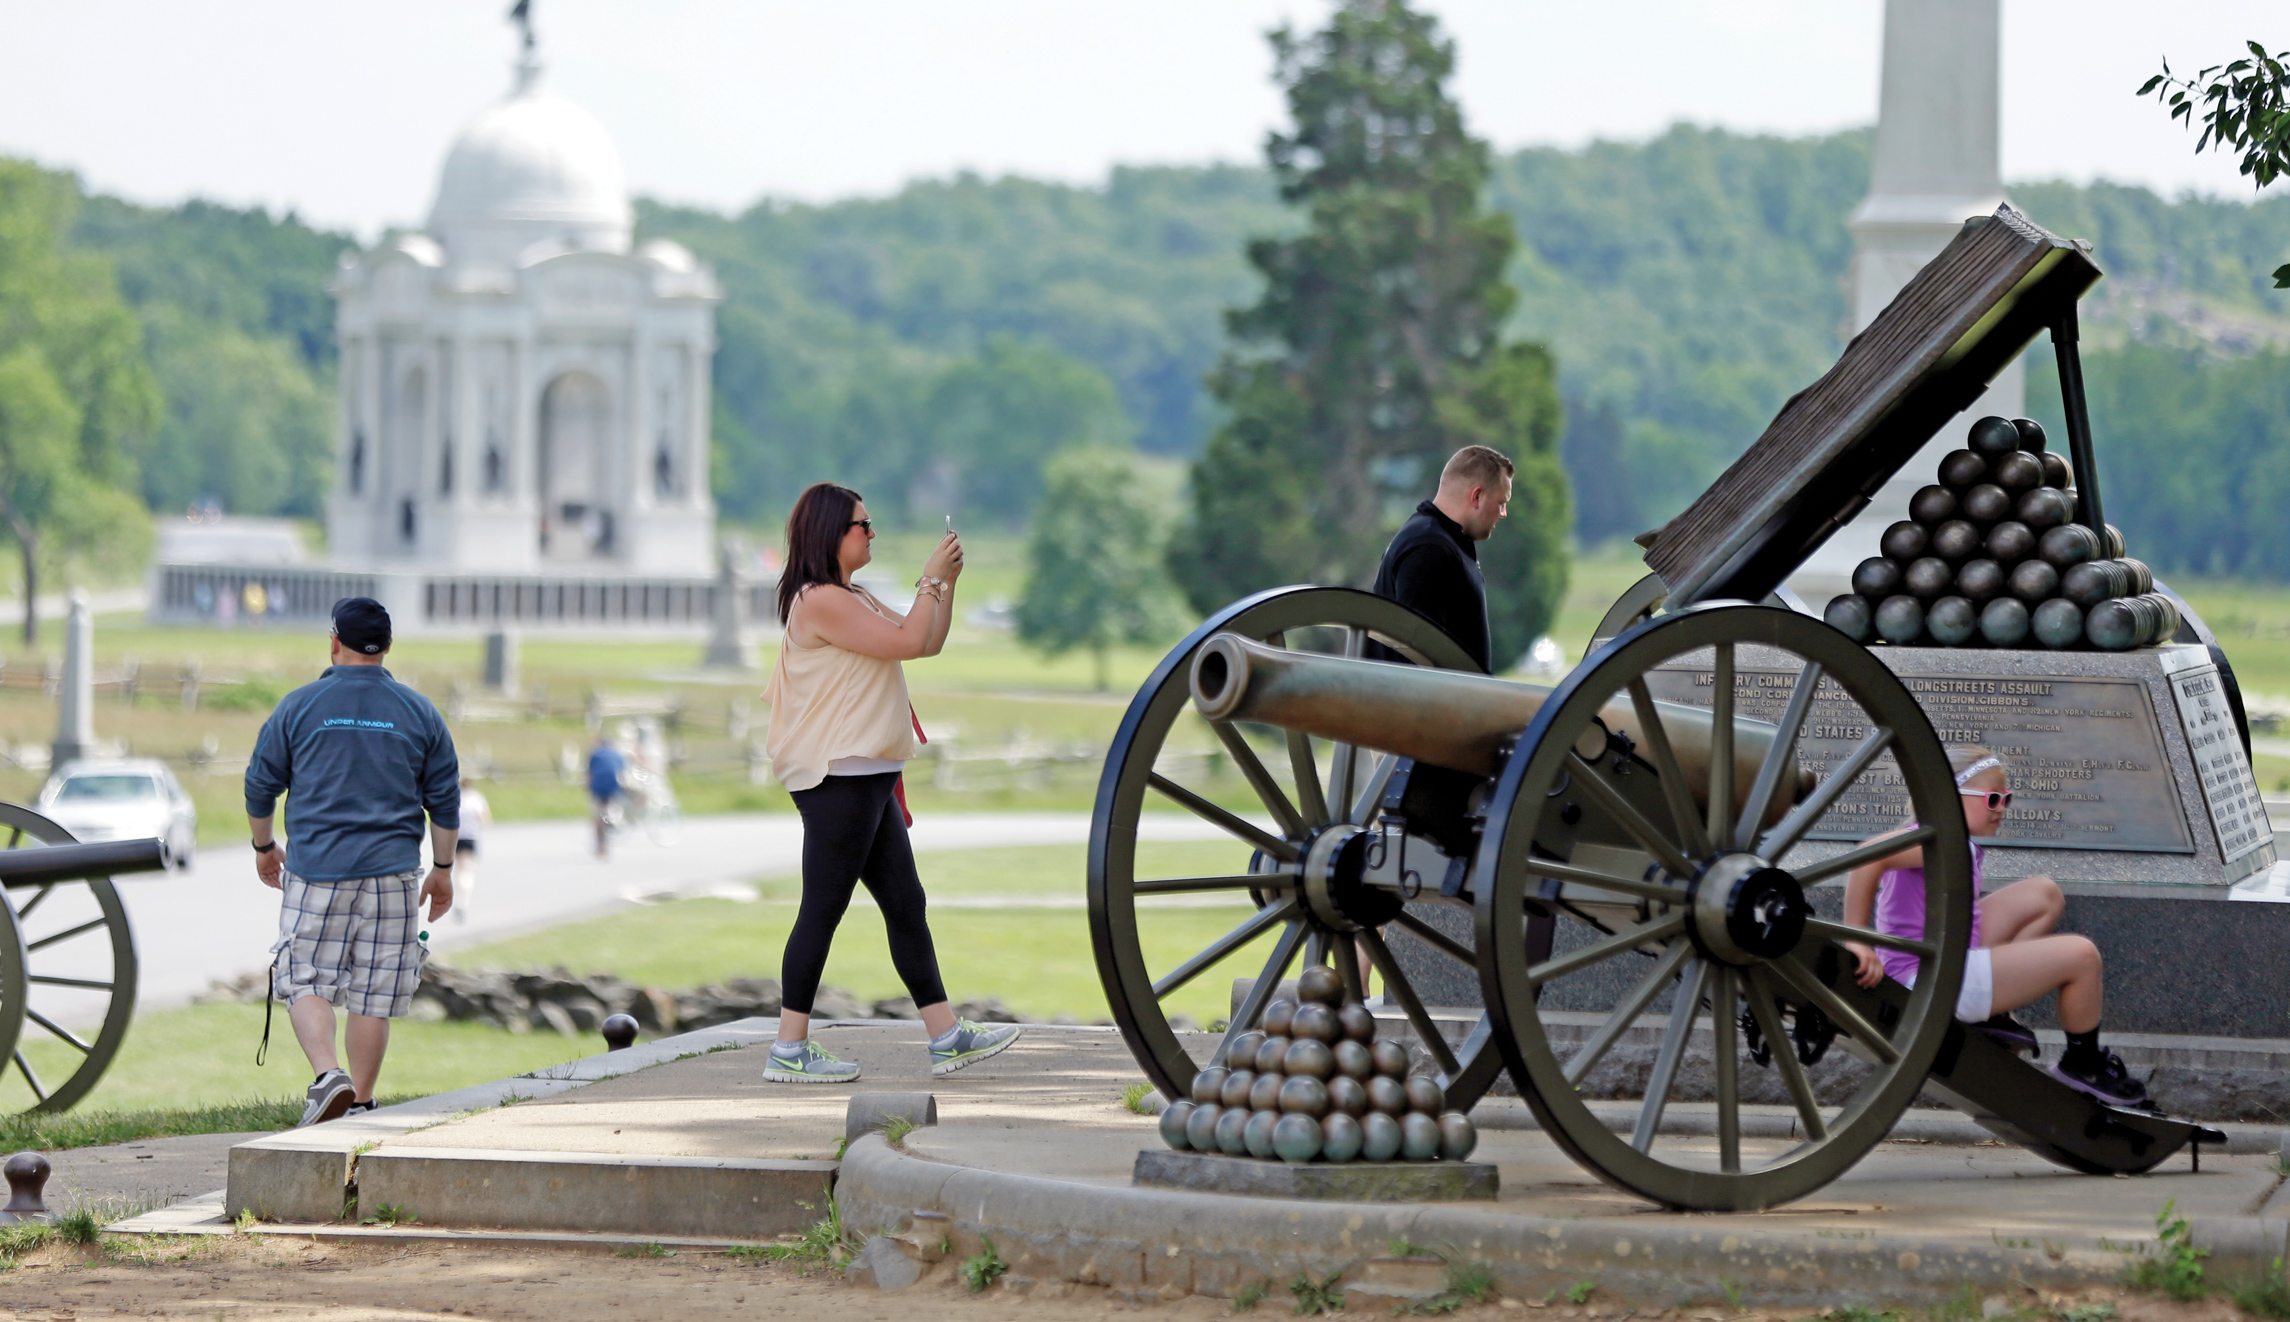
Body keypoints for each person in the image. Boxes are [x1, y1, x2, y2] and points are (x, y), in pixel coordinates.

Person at [760, 482, 1019, 1084]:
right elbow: (907, 640)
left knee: (906, 904)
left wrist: (944, 583)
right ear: (831, 534)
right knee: (823, 908)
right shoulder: (819, 600)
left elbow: (924, 642)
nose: (872, 533)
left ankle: (946, 1036)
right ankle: (789, 1048)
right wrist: (930, 576)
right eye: (863, 525)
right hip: (839, 774)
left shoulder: (854, 596)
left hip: (868, 773)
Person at [246, 597, 459, 1126]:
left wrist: (264, 846)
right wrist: (444, 869)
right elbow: (446, 801)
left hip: (319, 870)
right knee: (374, 992)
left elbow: (260, 784)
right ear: (387, 646)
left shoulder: (298, 705)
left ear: (334, 641)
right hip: (393, 875)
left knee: (303, 978)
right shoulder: (419, 711)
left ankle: (327, 1077)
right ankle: (360, 1103)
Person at [1842, 747, 2147, 1107]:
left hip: (1944, 959)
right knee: (2082, 956)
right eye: (1991, 799)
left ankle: (1993, 1007)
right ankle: (2084, 1064)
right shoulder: (1936, 840)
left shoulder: (1950, 841)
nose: (2001, 807)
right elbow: (1867, 858)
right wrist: (1856, 940)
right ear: (1951, 798)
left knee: (2044, 894)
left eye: (2006, 798)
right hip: (1926, 982)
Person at [1369, 444, 1515, 673]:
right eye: (1501, 503)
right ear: (1477, 496)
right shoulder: (1429, 548)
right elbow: (1419, 656)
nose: (1503, 513)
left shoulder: (1437, 540)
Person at [451, 774, 492, 923]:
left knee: (457, 870)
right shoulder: (476, 799)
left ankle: (458, 898)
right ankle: (463, 901)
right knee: (467, 871)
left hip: (455, 838)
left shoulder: (456, 799)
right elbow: (485, 820)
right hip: (470, 838)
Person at [587, 734, 625, 859]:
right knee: (611, 807)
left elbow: (589, 774)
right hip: (613, 786)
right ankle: (611, 823)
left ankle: (601, 845)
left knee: (598, 813)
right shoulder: (617, 755)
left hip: (598, 787)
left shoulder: (595, 755)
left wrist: (588, 788)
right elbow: (622, 773)